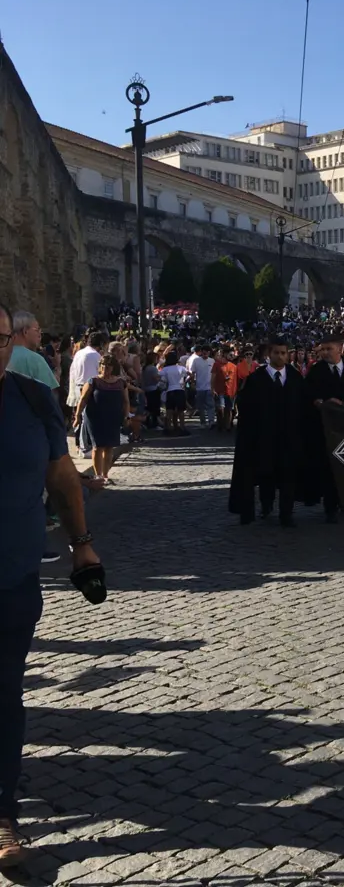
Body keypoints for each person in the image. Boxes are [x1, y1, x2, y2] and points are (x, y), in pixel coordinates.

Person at [0, 302, 101, 869]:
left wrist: (81, 543)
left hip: (11, 572)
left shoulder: (32, 398)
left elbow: (62, 478)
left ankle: (2, 811)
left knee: (3, 692)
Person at [229, 335, 308, 528]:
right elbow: (245, 409)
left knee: (288, 477)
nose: (280, 357)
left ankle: (286, 514)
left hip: (289, 439)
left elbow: (303, 407)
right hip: (263, 439)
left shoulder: (296, 379)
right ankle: (266, 506)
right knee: (266, 476)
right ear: (268, 354)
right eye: (276, 353)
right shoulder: (255, 380)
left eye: (283, 353)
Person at [305, 334, 344, 523]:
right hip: (326, 428)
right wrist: (321, 402)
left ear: (340, 349)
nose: (324, 353)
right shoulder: (315, 371)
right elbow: (309, 395)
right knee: (329, 466)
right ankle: (330, 505)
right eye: (322, 349)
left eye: (328, 349)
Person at [74, 354, 129, 483]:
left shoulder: (121, 383)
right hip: (95, 418)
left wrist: (126, 416)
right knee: (97, 446)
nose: (105, 368)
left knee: (109, 446)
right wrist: (77, 416)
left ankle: (105, 475)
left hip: (113, 417)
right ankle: (98, 475)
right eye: (103, 365)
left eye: (108, 366)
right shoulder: (93, 381)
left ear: (113, 368)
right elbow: (83, 400)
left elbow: (126, 401)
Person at [7, 312, 58, 391]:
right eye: (37, 330)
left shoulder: (4, 355)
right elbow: (50, 393)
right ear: (25, 332)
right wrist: (57, 367)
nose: (40, 335)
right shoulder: (35, 360)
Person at [159, 350, 190, 437]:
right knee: (181, 411)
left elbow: (157, 376)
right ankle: (182, 427)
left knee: (169, 410)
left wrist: (163, 381)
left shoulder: (166, 369)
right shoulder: (181, 368)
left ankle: (169, 428)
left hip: (170, 390)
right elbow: (190, 374)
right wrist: (184, 382)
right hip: (180, 389)